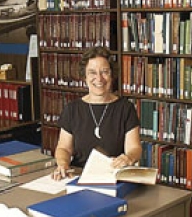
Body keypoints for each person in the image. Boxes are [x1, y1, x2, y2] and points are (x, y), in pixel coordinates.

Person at [52, 46, 142, 181]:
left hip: (113, 177)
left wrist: (128, 158)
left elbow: (135, 148)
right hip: (78, 176)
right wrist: (63, 164)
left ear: (112, 75)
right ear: (84, 77)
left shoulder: (126, 108)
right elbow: (63, 148)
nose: (99, 78)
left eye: (104, 72)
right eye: (92, 72)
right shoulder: (72, 109)